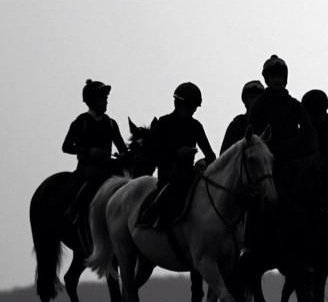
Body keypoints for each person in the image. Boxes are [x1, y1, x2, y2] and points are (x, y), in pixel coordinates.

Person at [137, 82, 217, 229]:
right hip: (168, 176)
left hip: (191, 175)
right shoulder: (163, 123)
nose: (193, 111)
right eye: (190, 107)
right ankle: (150, 221)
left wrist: (204, 162)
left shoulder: (196, 126)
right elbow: (152, 153)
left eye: (194, 108)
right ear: (178, 104)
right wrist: (176, 154)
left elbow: (211, 155)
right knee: (165, 198)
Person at [63, 79, 128, 225]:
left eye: (106, 98)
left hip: (108, 165)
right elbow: (66, 147)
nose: (106, 102)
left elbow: (122, 148)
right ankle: (75, 210)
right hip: (88, 167)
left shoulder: (111, 123)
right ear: (92, 101)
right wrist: (89, 151)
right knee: (94, 178)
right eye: (102, 99)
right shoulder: (81, 121)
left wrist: (125, 156)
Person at [221, 80, 265, 153]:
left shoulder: (268, 125)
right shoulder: (237, 125)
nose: (255, 101)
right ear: (245, 100)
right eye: (252, 97)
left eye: (258, 98)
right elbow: (225, 156)